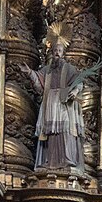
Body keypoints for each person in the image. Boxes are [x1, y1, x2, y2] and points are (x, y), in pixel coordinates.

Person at [20, 36, 85, 172]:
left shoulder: (69, 68)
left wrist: (75, 90)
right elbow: (39, 84)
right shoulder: (47, 70)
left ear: (63, 53)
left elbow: (79, 81)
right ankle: (50, 160)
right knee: (50, 132)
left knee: (65, 129)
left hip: (64, 103)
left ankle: (67, 159)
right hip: (50, 101)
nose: (57, 53)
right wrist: (30, 73)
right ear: (52, 52)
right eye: (55, 50)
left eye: (60, 51)